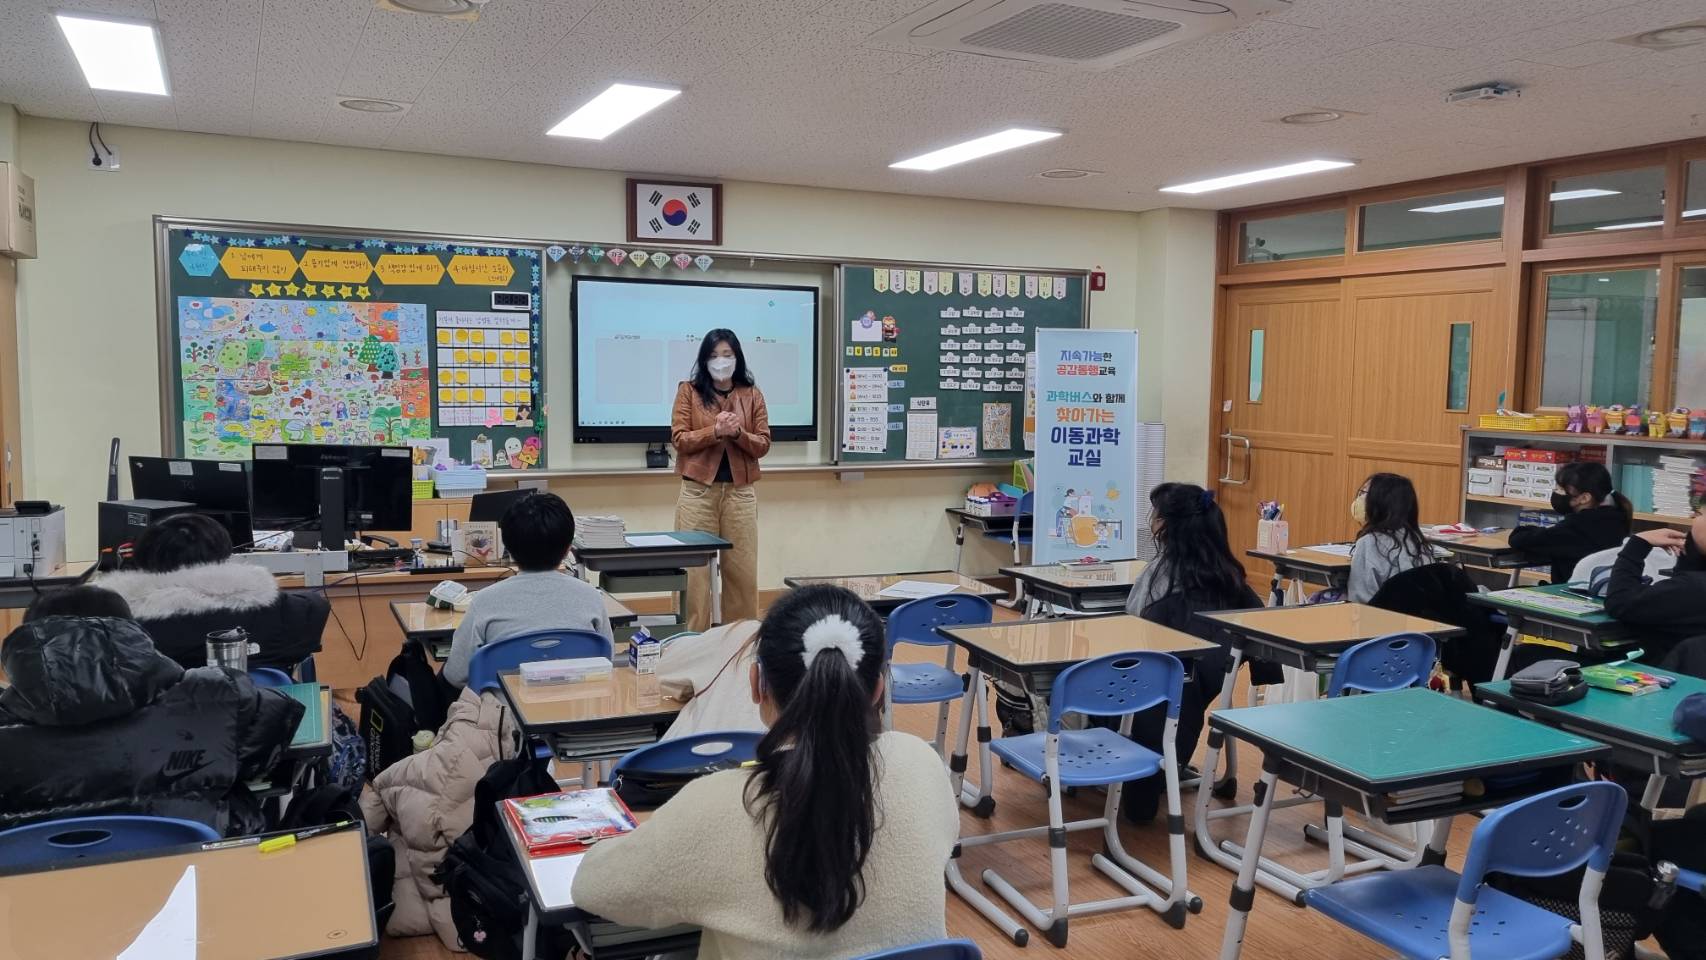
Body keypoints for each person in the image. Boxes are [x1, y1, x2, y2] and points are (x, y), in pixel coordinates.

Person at [572, 586, 958, 959]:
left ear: (757, 684)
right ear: (877, 689)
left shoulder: (716, 802)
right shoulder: (920, 764)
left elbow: (592, 888)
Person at [0, 585, 304, 835]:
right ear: (131, 631)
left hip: (36, 896)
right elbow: (276, 734)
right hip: (197, 875)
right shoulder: (216, 696)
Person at [1121, 483, 1270, 821]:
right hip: (1200, 692)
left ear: (1167, 526)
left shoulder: (1160, 575)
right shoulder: (1234, 580)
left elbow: (1129, 627)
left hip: (1145, 696)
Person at [98, 513, 328, 671]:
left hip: (152, 733)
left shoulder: (114, 626)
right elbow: (314, 607)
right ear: (224, 557)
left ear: (142, 561)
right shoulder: (285, 613)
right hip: (257, 726)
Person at [441, 492, 613, 688]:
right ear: (568, 549)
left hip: (505, 714)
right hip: (577, 710)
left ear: (508, 547)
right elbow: (607, 662)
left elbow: (456, 675)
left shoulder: (485, 601)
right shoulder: (591, 597)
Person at [672, 329, 771, 632]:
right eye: (714, 355)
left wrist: (738, 433)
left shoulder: (751, 394)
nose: (721, 361)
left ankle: (739, 642)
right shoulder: (688, 391)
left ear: (737, 357)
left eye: (727, 355)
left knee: (741, 571)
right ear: (704, 359)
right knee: (694, 574)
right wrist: (714, 432)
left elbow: (763, 444)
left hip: (740, 493)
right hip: (697, 491)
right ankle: (691, 641)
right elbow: (679, 439)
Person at [1603, 516, 1706, 666]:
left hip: (1663, 677)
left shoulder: (1693, 588)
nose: (1694, 517)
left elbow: (1619, 602)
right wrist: (1690, 554)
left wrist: (1638, 543)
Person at [1509, 462, 1633, 584]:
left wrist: (1535, 529)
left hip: (1570, 594)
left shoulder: (1576, 527)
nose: (1556, 493)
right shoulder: (1617, 517)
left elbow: (1518, 539)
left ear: (1584, 498)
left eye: (1561, 490)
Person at [1348, 473, 1437, 604]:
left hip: (1383, 620)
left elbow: (1359, 602)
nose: (1359, 498)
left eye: (1364, 493)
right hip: (1421, 619)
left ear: (1379, 502)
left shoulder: (1369, 543)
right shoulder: (1417, 541)